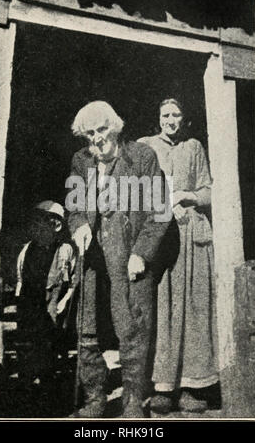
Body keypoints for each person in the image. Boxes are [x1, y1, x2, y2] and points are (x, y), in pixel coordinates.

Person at [66, 101, 169, 418]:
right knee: (88, 329)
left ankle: (133, 401)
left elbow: (160, 212)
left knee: (134, 328)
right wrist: (80, 225)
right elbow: (74, 206)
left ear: (116, 126)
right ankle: (95, 398)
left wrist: (142, 252)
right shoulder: (81, 161)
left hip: (130, 254)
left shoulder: (141, 156)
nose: (96, 138)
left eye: (101, 130)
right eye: (89, 134)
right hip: (95, 256)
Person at [138, 98, 218, 414]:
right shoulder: (145, 147)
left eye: (177, 115)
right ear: (157, 119)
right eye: (165, 115)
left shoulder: (194, 146)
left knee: (192, 308)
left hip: (190, 241)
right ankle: (161, 386)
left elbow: (209, 191)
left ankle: (191, 386)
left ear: (184, 119)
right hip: (158, 237)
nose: (171, 120)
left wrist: (186, 195)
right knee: (160, 308)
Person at [15, 200, 76, 387]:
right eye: (36, 221)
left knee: (49, 342)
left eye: (44, 221)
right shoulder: (27, 250)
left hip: (55, 306)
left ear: (56, 225)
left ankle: (47, 380)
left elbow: (73, 282)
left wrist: (64, 302)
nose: (38, 227)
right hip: (32, 305)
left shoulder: (65, 250)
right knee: (30, 341)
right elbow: (20, 281)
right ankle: (28, 379)